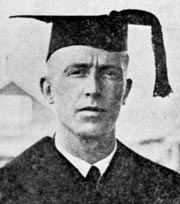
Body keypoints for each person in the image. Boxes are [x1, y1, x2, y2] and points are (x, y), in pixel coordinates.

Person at [0, 9, 180, 204]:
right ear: (48, 90)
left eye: (109, 73)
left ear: (125, 91)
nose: (93, 89)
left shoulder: (166, 188)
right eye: (77, 72)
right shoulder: (8, 188)